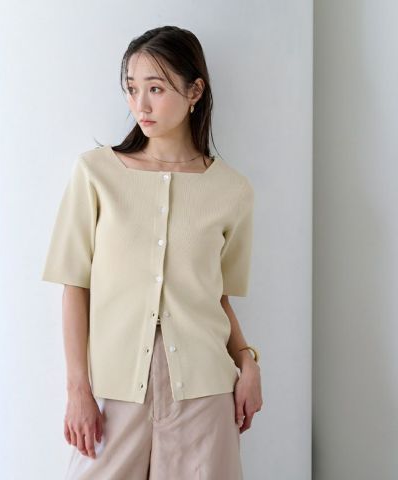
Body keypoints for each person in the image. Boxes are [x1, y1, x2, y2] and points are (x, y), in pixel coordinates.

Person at [41, 25, 263, 479]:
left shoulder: (232, 190)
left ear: (194, 91)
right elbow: (75, 286)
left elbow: (217, 297)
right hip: (115, 392)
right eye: (132, 88)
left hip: (204, 394)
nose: (140, 104)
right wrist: (77, 390)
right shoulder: (95, 173)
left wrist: (248, 362)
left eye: (156, 89)